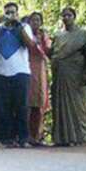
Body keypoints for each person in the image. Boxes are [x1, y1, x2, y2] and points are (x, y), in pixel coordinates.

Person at [0, 2, 36, 147]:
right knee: (3, 108)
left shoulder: (24, 27)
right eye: (7, 12)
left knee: (21, 106)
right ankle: (6, 138)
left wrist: (18, 25)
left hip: (20, 72)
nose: (10, 15)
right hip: (0, 72)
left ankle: (23, 138)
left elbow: (30, 45)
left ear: (17, 13)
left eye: (13, 12)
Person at [49, 7, 86, 146]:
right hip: (60, 74)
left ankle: (79, 136)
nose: (66, 18)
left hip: (76, 74)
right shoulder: (58, 36)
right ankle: (62, 138)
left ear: (74, 17)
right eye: (64, 15)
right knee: (60, 104)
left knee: (78, 106)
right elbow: (51, 54)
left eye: (69, 15)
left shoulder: (82, 34)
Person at [26, 12, 52, 145]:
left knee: (40, 103)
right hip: (28, 68)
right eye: (33, 20)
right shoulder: (25, 35)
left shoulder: (43, 35)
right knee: (28, 103)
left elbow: (49, 50)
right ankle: (27, 135)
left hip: (40, 70)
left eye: (38, 20)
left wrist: (43, 39)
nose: (35, 23)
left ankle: (37, 136)